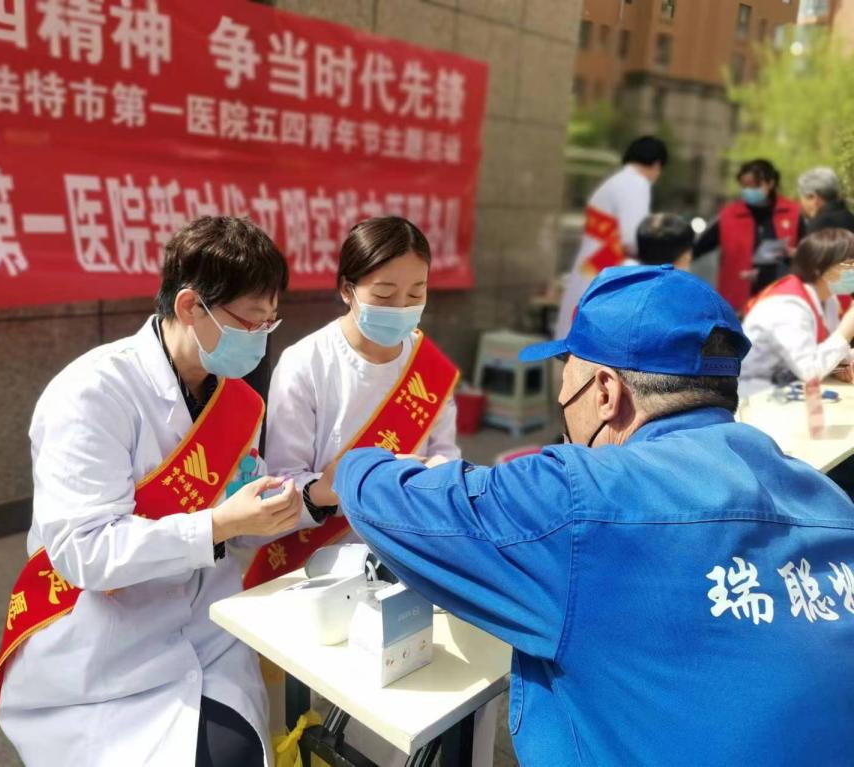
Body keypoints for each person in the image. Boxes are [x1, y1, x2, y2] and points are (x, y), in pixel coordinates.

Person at [333, 265, 854, 767]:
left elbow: (386, 502)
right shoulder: (829, 500)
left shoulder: (580, 499)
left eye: (566, 378)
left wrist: (366, 462)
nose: (562, 399)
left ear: (605, 392)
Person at [0, 216, 306, 767]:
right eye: (250, 322)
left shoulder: (238, 402)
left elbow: (237, 522)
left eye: (269, 323)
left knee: (238, 752)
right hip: (101, 648)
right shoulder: (91, 394)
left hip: (207, 632)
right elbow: (84, 549)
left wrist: (277, 508)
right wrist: (219, 524)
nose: (260, 339)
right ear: (191, 306)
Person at [250, 217, 493, 766]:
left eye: (416, 294)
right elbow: (283, 482)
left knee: (434, 695)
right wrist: (341, 486)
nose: (401, 308)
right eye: (384, 295)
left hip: (409, 546)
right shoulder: (306, 364)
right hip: (319, 558)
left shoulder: (429, 369)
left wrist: (435, 474)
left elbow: (446, 454)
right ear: (347, 290)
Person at [554, 135, 668, 337]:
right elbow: (633, 238)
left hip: (592, 264)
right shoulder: (636, 184)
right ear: (657, 165)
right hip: (607, 265)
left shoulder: (616, 181)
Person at [740, 227, 854, 395]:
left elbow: (823, 350)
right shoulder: (787, 305)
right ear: (819, 269)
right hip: (756, 393)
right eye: (849, 265)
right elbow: (810, 371)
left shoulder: (828, 299)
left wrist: (842, 365)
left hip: (788, 389)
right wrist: (848, 326)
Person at [693, 158, 803, 310]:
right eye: (744, 186)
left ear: (770, 183)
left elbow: (810, 253)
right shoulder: (729, 215)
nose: (748, 191)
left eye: (754, 186)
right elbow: (696, 248)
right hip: (736, 302)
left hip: (781, 300)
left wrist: (795, 254)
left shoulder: (793, 213)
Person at [799, 166, 854, 235]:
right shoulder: (849, 217)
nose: (801, 204)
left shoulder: (818, 227)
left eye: (803, 198)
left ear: (813, 197)